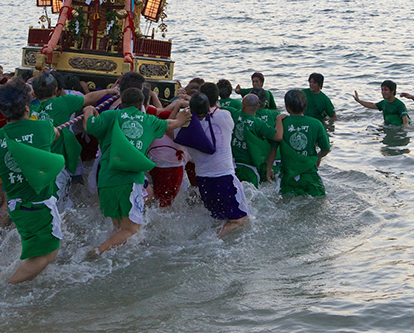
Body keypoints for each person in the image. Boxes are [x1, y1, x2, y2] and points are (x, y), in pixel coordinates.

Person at [83, 87, 189, 255]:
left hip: (105, 180)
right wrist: (182, 118)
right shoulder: (148, 120)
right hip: (129, 182)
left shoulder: (110, 116)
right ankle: (97, 252)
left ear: (122, 103)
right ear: (142, 104)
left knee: (117, 226)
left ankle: (112, 257)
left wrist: (88, 110)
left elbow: (89, 126)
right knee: (131, 229)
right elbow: (171, 124)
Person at [0, 79, 63, 284]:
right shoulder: (43, 127)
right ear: (27, 106)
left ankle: (19, 280)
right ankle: (6, 290)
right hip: (38, 206)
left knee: (43, 252)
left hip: (16, 205)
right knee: (46, 255)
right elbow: (56, 134)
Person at [32, 72, 118, 209]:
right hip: (56, 164)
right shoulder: (63, 102)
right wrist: (109, 91)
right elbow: (89, 98)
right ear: (56, 90)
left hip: (34, 165)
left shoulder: (30, 109)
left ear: (34, 94)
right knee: (56, 206)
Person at [176, 88, 251, 236]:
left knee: (218, 218)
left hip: (203, 181)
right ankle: (208, 239)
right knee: (239, 220)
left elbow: (174, 131)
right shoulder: (224, 117)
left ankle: (209, 238)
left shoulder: (182, 129)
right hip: (224, 178)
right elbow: (218, 110)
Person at [270, 89, 331, 198]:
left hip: (288, 177)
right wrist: (318, 157)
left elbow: (273, 149)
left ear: (287, 106)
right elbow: (326, 148)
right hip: (310, 175)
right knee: (318, 205)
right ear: (305, 106)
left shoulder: (281, 124)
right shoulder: (316, 124)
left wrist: (268, 169)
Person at [231, 94, 285, 187]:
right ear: (258, 107)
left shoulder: (234, 114)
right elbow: (278, 136)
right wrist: (279, 119)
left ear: (242, 104)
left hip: (233, 166)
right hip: (249, 168)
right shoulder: (258, 123)